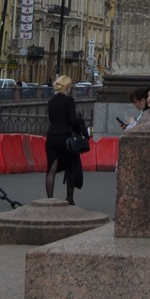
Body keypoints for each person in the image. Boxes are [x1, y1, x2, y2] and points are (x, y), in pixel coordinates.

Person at [45, 75, 86, 205]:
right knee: (70, 167)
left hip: (51, 137)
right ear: (67, 87)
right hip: (65, 137)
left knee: (51, 169)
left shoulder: (51, 101)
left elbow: (52, 120)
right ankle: (69, 198)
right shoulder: (69, 101)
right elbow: (72, 121)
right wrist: (80, 122)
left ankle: (50, 199)